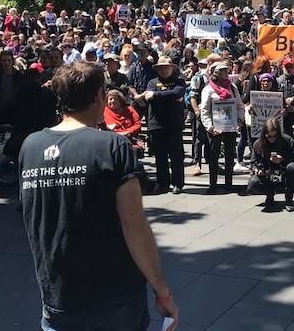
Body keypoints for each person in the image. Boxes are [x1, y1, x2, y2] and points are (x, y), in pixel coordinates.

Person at [19, 61, 178, 330]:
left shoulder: (30, 146)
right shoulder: (112, 145)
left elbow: (33, 217)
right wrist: (162, 291)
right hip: (114, 297)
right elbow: (135, 228)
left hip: (57, 295)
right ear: (98, 96)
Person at [200, 61, 246, 194]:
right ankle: (212, 184)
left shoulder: (232, 88)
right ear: (216, 73)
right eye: (223, 70)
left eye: (227, 70)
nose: (226, 72)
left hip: (230, 127)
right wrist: (210, 127)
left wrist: (240, 121)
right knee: (213, 156)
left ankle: (228, 182)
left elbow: (239, 106)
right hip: (215, 128)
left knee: (230, 155)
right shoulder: (208, 89)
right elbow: (204, 110)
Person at [143, 57, 187, 194]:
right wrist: (169, 98)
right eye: (161, 68)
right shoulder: (151, 82)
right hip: (156, 124)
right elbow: (149, 98)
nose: (163, 70)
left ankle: (178, 183)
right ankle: (162, 183)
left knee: (176, 157)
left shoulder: (179, 81)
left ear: (172, 68)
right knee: (160, 157)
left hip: (174, 124)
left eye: (166, 67)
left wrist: (156, 95)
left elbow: (177, 93)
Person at [246, 117, 294, 211]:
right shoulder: (258, 144)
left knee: (293, 167)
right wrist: (256, 169)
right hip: (267, 173)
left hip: (283, 172)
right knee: (253, 183)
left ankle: (289, 198)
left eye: (274, 136)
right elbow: (252, 162)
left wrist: (283, 159)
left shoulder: (287, 140)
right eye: (269, 136)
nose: (272, 139)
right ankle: (269, 195)